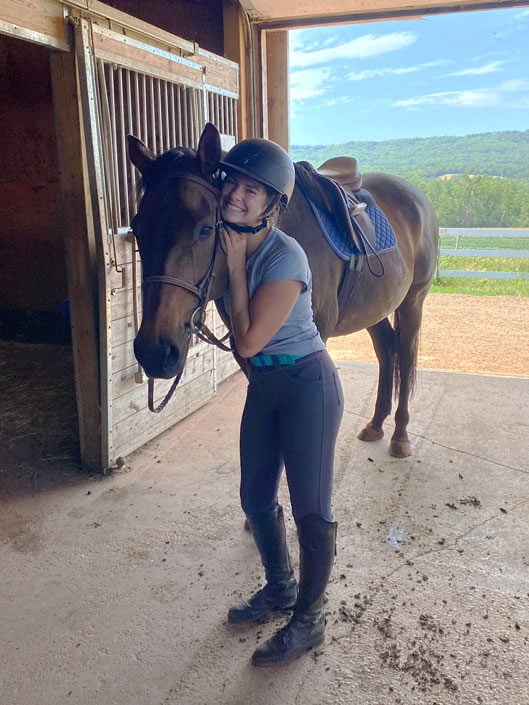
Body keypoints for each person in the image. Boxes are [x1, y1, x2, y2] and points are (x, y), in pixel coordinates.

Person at [219, 137, 344, 667]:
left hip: (305, 385)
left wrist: (230, 270)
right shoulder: (220, 236)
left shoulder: (284, 256)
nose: (237, 196)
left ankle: (309, 621)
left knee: (310, 511)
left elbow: (247, 342)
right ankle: (281, 587)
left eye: (253, 190)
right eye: (232, 183)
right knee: (255, 499)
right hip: (265, 387)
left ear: (272, 205)